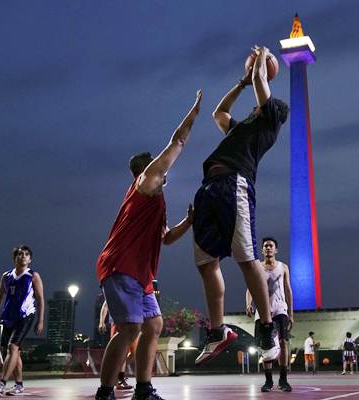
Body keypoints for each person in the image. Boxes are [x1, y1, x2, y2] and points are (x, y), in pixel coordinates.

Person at [95, 90, 202, 400]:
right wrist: (194, 111)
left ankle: (144, 388)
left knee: (153, 324)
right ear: (148, 171)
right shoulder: (146, 184)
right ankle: (104, 392)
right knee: (128, 329)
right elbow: (177, 142)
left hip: (140, 275)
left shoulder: (155, 203)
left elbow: (166, 239)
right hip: (121, 265)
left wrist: (188, 221)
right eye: (158, 166)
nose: (163, 170)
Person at [192, 45, 289, 365]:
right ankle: (218, 331)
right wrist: (241, 82)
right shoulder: (242, 127)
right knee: (206, 262)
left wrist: (262, 61)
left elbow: (264, 86)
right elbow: (218, 113)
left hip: (235, 184)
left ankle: (265, 328)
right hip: (209, 187)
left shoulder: (269, 122)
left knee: (246, 258)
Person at [0, 245, 45, 397]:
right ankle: (19, 385)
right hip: (8, 317)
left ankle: (1, 383)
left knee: (12, 347)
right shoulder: (6, 276)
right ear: (15, 258)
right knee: (14, 352)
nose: (23, 256)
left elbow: (40, 299)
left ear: (30, 259)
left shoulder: (33, 276)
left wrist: (40, 321)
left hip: (25, 315)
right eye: (20, 254)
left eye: (26, 254)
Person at [245, 237, 294, 393]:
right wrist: (248, 303)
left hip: (280, 309)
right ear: (262, 250)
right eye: (265, 246)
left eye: (271, 246)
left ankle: (283, 379)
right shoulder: (257, 267)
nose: (268, 248)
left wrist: (291, 314)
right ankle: (268, 381)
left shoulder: (283, 267)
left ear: (276, 250)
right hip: (262, 310)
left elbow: (288, 290)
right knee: (265, 346)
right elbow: (250, 287)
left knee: (283, 342)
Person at [99, 300, 138, 390]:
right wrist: (102, 321)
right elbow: (105, 305)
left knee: (134, 352)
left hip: (133, 322)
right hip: (118, 322)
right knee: (121, 351)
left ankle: (116, 374)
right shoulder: (115, 287)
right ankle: (119, 378)